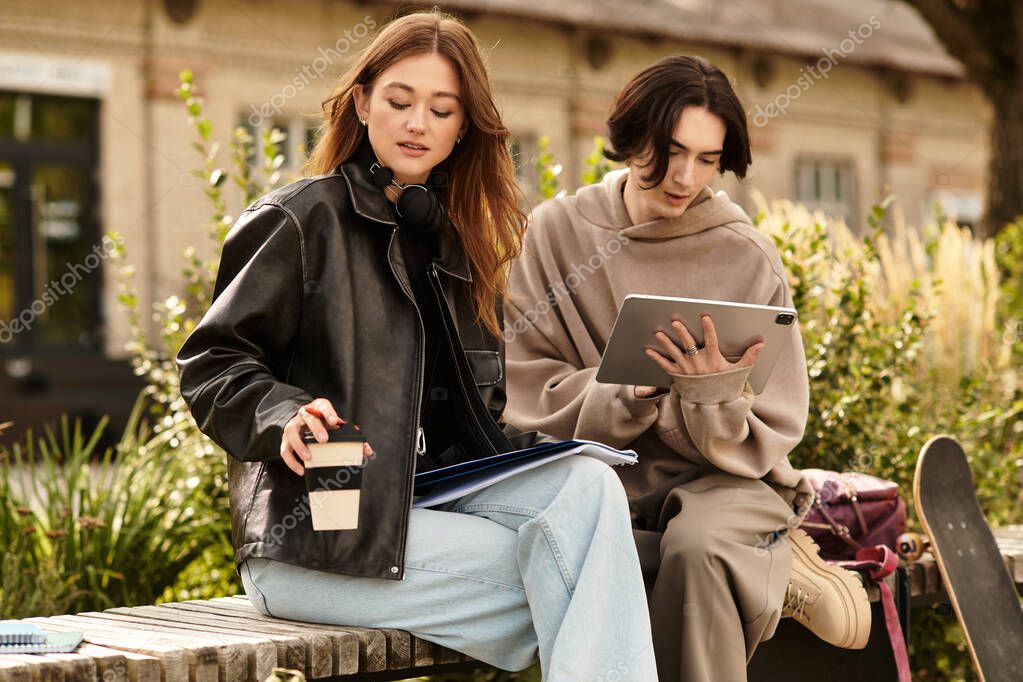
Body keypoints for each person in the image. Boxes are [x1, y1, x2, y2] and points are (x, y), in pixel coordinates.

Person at [175, 11, 657, 681]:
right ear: (364, 99)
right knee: (591, 584)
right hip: (317, 540)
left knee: (587, 491)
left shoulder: (460, 246)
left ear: (463, 127)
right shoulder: (299, 219)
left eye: (440, 109)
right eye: (399, 101)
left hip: (431, 504)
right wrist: (282, 415)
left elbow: (478, 419)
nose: (415, 123)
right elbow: (211, 364)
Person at [502, 55, 871, 681]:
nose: (683, 177)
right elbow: (519, 379)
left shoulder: (746, 255)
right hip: (602, 484)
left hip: (726, 485)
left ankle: (775, 550)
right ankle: (776, 566)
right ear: (631, 135)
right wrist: (623, 395)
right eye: (669, 152)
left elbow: (775, 423)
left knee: (697, 549)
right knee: (592, 555)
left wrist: (708, 395)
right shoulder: (554, 232)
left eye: (707, 159)